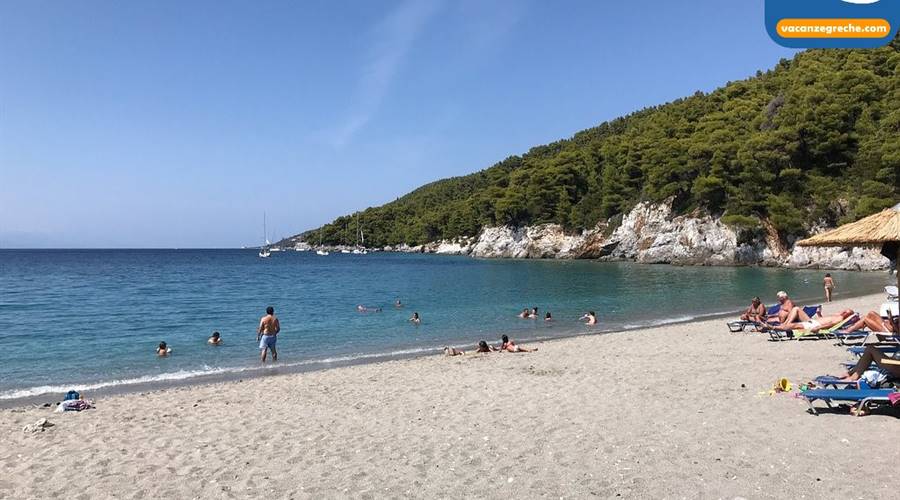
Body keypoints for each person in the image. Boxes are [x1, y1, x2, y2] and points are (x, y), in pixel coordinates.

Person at [764, 308, 853, 333]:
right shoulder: (838, 315)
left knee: (793, 326)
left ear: (848, 315)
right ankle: (783, 325)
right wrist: (819, 314)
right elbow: (825, 320)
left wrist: (818, 328)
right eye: (845, 310)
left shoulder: (840, 319)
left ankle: (773, 327)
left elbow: (830, 325)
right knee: (796, 309)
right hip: (813, 321)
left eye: (846, 312)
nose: (844, 311)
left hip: (815, 325)